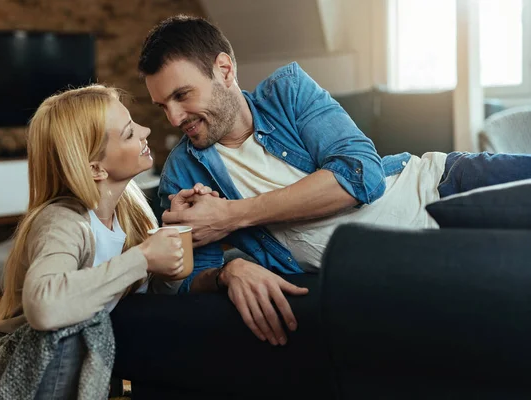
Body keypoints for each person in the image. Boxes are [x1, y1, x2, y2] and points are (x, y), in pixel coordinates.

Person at [137, 14, 531, 347]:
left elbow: (362, 175)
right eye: (162, 106)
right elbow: (185, 283)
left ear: (224, 70)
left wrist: (233, 215)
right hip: (395, 261)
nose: (173, 118)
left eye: (183, 95)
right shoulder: (183, 174)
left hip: (439, 184)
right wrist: (227, 271)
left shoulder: (287, 91)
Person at [0, 85, 191, 399]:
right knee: (72, 323)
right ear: (95, 168)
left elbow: (144, 306)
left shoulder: (133, 213)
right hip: (2, 376)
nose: (146, 130)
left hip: (73, 376)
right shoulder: (63, 220)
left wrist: (173, 248)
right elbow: (45, 309)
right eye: (129, 133)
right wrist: (142, 258)